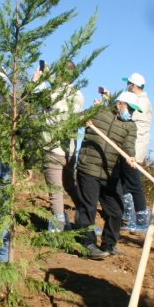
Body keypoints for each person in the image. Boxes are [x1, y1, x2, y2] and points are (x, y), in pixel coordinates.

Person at [74, 91, 139, 259]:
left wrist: (130, 157)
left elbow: (129, 145)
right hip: (88, 168)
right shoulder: (99, 111)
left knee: (116, 210)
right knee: (88, 208)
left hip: (110, 174)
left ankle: (109, 244)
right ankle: (87, 245)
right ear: (119, 104)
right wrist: (86, 117)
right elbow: (75, 120)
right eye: (129, 109)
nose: (130, 113)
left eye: (133, 111)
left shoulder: (130, 126)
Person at [34, 61, 84, 232]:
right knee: (70, 184)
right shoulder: (79, 95)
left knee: (55, 192)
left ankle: (58, 230)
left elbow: (35, 97)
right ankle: (84, 214)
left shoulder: (51, 93)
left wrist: (38, 79)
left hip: (52, 149)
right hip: (69, 151)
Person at [120, 72, 152, 232]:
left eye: (128, 84)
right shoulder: (141, 100)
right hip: (131, 147)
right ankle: (127, 214)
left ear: (133, 85)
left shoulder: (141, 102)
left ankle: (140, 220)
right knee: (124, 182)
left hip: (133, 150)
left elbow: (126, 118)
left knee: (134, 184)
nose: (127, 86)